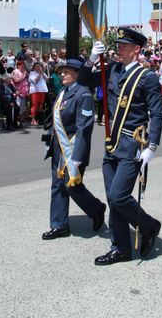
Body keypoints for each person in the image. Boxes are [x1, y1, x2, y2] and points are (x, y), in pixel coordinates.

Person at [79, 27, 162, 265]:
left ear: (137, 50)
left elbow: (156, 114)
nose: (119, 49)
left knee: (119, 196)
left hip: (132, 144)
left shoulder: (146, 77)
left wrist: (153, 145)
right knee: (112, 197)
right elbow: (84, 80)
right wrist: (92, 60)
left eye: (124, 46)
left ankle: (148, 225)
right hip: (111, 143)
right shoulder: (113, 70)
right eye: (118, 45)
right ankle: (120, 248)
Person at [42, 58, 106, 240]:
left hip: (73, 148)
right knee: (57, 185)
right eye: (62, 71)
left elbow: (84, 128)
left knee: (72, 185)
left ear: (77, 74)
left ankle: (96, 208)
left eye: (67, 72)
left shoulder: (83, 95)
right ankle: (59, 225)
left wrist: (78, 155)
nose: (62, 74)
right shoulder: (63, 91)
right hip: (58, 147)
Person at [28, 61, 48, 126]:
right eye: (36, 67)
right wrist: (40, 74)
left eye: (39, 66)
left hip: (42, 90)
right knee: (34, 105)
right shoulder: (32, 73)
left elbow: (47, 80)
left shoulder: (42, 73)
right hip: (35, 91)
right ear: (33, 68)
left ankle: (39, 119)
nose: (38, 68)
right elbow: (35, 81)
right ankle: (33, 119)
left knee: (41, 105)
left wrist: (42, 72)